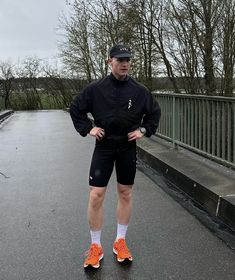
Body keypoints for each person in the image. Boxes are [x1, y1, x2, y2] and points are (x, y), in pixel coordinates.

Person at [70, 44, 161, 269]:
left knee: (125, 193)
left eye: (128, 59)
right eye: (120, 59)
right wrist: (88, 128)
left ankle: (120, 241)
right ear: (109, 61)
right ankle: (95, 246)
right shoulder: (95, 89)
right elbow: (76, 108)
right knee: (96, 195)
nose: (124, 63)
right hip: (104, 146)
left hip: (127, 147)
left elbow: (154, 112)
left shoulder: (139, 91)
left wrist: (144, 130)